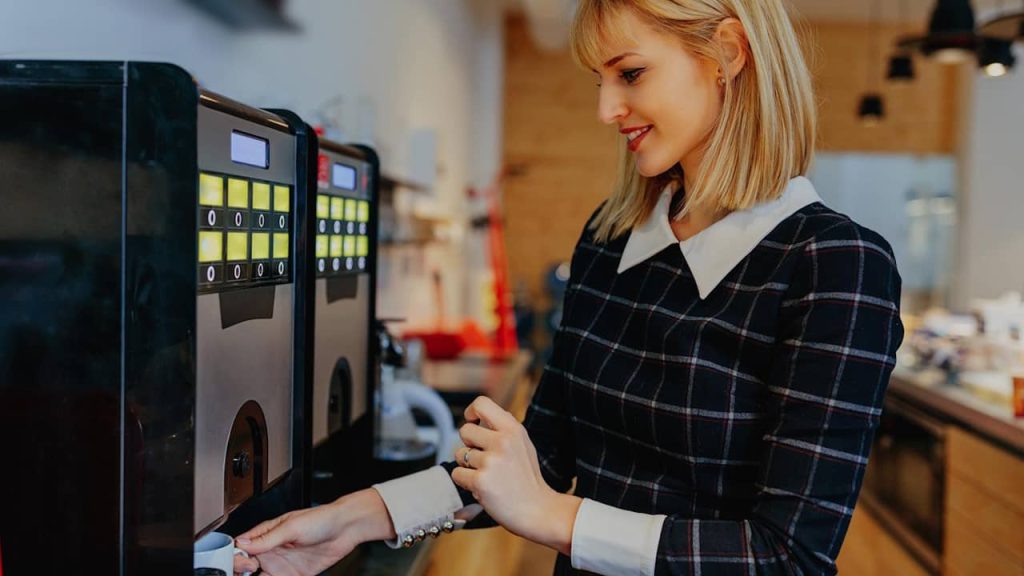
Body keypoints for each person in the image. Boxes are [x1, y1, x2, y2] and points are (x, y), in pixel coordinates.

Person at [234, 0, 904, 574]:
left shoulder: (836, 265)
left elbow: (786, 557)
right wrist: (357, 517)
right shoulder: (613, 238)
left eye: (631, 73)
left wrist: (554, 518)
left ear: (726, 52)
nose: (606, 108)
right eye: (598, 79)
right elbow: (543, 458)